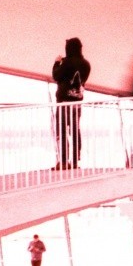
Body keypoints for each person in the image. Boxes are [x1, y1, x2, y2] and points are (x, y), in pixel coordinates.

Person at [52, 37, 90, 170]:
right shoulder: (86, 64)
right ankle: (75, 161)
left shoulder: (67, 63)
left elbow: (56, 76)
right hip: (77, 103)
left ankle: (63, 161)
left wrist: (57, 63)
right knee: (75, 131)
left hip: (64, 103)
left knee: (62, 132)